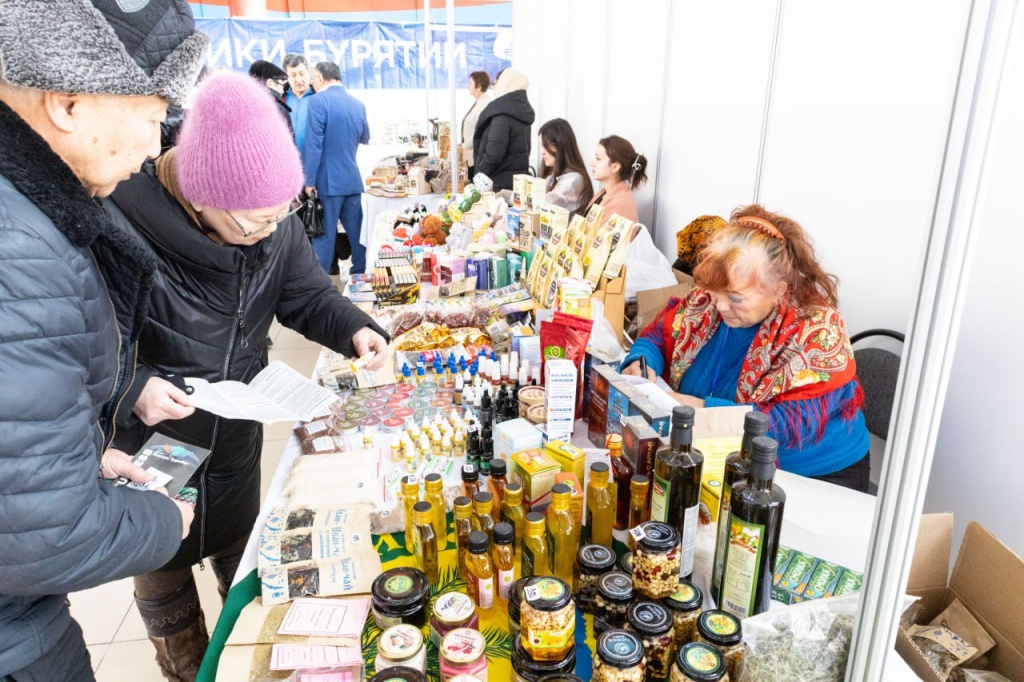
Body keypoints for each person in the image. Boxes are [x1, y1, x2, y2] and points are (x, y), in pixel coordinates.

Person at [103, 71, 390, 679]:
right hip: (147, 450)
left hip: (235, 442)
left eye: (279, 215)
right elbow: (86, 342)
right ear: (202, 195)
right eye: (254, 221)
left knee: (247, 571)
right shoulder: (118, 222)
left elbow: (307, 296)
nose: (269, 229)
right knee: (164, 584)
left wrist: (355, 328)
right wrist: (134, 388)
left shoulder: (271, 218)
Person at [0, 1, 206, 679]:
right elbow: (43, 541)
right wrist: (161, 523)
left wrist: (83, 460)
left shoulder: (31, 211)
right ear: (67, 101)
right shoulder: (21, 251)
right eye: (151, 116)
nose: (155, 147)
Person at [620, 205, 871, 492]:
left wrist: (692, 407)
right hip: (723, 458)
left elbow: (777, 426)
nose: (720, 305)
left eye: (736, 299)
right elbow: (657, 336)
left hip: (811, 476)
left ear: (779, 290)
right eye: (714, 291)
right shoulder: (707, 302)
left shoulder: (816, 332)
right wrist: (642, 360)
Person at [303, 61, 371, 275]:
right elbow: (364, 137)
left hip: (326, 182)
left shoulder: (317, 101)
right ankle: (360, 274)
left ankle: (320, 284)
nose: (311, 83)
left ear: (321, 78)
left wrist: (309, 181)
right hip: (351, 179)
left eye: (312, 79)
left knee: (323, 237)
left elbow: (314, 144)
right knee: (358, 234)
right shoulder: (358, 104)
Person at [472, 67, 535, 191]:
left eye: (496, 83)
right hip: (516, 185)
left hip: (497, 185)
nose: (494, 88)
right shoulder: (521, 113)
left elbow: (493, 155)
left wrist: (480, 173)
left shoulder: (502, 115)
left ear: (505, 85)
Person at [585, 134, 648, 223]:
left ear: (615, 167)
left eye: (598, 159)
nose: (592, 164)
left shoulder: (619, 204)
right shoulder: (606, 193)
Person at [537, 118, 594, 214]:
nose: (542, 153)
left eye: (546, 146)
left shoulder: (574, 180)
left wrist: (507, 196)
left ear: (561, 145)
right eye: (541, 146)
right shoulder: (552, 175)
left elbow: (545, 203)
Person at [249, 59, 293, 138]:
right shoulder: (278, 110)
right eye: (282, 84)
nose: (283, 90)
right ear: (270, 83)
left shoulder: (246, 108)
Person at [282, 53, 315, 155]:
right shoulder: (280, 99)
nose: (298, 79)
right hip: (288, 161)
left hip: (315, 163)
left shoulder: (320, 97)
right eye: (293, 75)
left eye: (302, 73)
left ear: (309, 72)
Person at [461, 70, 492, 178]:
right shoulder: (478, 102)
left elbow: (479, 131)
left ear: (478, 86)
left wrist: (463, 146)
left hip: (477, 153)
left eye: (470, 83)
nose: (468, 86)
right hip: (471, 152)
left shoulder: (485, 104)